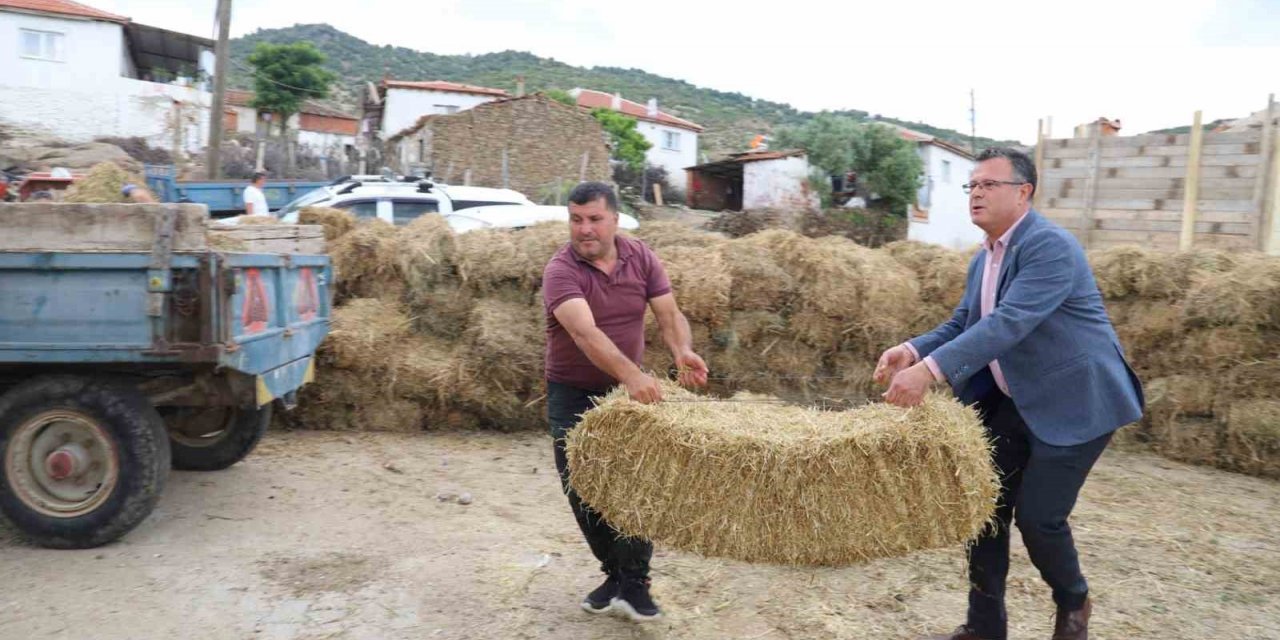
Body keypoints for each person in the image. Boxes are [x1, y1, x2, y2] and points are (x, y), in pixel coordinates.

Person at [874, 148, 1144, 640]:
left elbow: (1010, 322)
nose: (976, 193)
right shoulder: (986, 258)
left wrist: (930, 373)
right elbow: (965, 323)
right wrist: (911, 350)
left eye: (988, 185)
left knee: (1039, 519)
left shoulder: (1050, 246)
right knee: (981, 509)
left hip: (1076, 401)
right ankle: (984, 628)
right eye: (971, 185)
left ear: (1024, 193)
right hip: (1012, 400)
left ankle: (1074, 602)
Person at [542, 181, 709, 622]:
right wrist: (634, 375)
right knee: (582, 491)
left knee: (637, 484)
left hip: (624, 394)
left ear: (615, 219)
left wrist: (681, 351)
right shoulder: (561, 270)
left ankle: (635, 582)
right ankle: (613, 574)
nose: (585, 229)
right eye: (576, 220)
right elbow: (584, 333)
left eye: (595, 219)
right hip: (572, 394)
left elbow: (668, 313)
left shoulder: (641, 256)